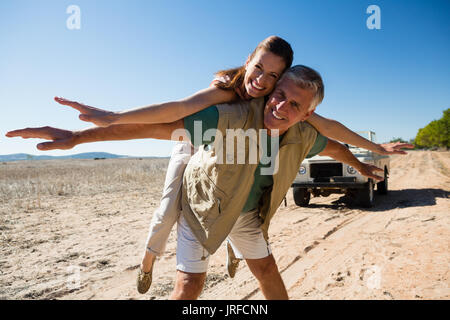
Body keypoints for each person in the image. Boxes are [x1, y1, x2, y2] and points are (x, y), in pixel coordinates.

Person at [38, 36, 412, 294]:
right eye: (276, 93)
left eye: (291, 103)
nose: (277, 103)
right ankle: (148, 262)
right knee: (181, 253)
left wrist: (365, 163)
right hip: (203, 200)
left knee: (266, 270)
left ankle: (233, 249)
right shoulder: (229, 108)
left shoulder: (302, 133)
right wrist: (84, 134)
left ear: (307, 115)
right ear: (249, 64)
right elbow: (166, 123)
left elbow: (335, 143)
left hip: (246, 213)